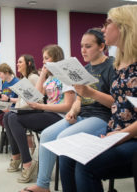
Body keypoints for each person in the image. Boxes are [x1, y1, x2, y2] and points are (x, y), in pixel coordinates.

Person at [21, 28, 116, 192]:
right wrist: (73, 110)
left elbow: (117, 103)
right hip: (83, 116)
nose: (83, 50)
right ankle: (43, 185)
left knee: (63, 138)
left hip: (102, 118)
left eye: (88, 46)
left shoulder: (111, 67)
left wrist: (90, 93)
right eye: (81, 46)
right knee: (47, 135)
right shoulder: (85, 69)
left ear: (101, 46)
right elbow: (80, 98)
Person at [59, 5, 137, 192]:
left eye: (107, 23)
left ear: (124, 26)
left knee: (86, 166)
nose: (103, 29)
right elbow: (119, 104)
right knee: (67, 156)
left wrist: (120, 135)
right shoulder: (120, 62)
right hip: (115, 132)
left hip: (130, 136)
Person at [5, 45, 76, 183]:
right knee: (11, 116)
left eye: (46, 58)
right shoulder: (49, 78)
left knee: (14, 118)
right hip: (47, 112)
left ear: (56, 59)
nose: (43, 61)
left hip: (60, 116)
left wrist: (42, 106)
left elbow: (68, 106)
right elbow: (36, 96)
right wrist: (43, 74)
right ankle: (25, 160)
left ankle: (27, 163)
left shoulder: (65, 76)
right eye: (43, 58)